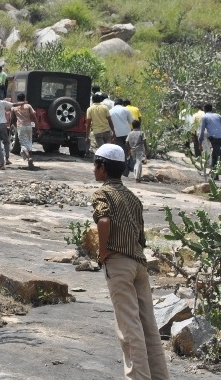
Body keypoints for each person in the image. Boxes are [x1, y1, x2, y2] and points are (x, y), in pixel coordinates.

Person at [91, 143, 169, 380]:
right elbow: (141, 236)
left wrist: (103, 251)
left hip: (119, 264)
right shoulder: (133, 197)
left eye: (96, 164)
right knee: (148, 328)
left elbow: (103, 221)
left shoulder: (102, 193)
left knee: (129, 329)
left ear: (103, 168)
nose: (94, 169)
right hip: (139, 265)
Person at [12, 93, 38, 168]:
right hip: (29, 126)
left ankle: (29, 158)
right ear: (24, 98)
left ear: (17, 99)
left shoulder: (14, 108)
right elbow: (34, 117)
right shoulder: (28, 106)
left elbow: (13, 119)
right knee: (29, 143)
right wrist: (37, 128)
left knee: (23, 143)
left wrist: (15, 126)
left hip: (20, 126)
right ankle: (30, 163)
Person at [198, 103, 221, 172]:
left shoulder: (204, 117)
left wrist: (200, 142)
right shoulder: (218, 115)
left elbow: (201, 130)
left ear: (204, 109)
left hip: (215, 137)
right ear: (211, 109)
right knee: (217, 153)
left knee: (215, 155)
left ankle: (214, 173)